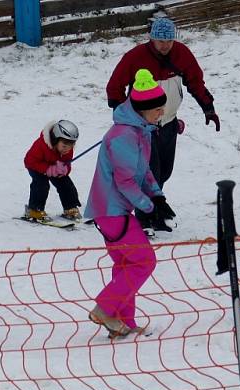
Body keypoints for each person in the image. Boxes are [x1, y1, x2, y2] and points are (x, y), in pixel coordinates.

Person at [84, 69, 176, 338]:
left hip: (115, 210)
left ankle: (123, 322)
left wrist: (158, 197)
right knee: (143, 261)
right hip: (112, 210)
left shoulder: (139, 131)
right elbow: (125, 181)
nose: (161, 113)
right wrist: (148, 207)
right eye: (158, 109)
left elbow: (143, 171)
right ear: (144, 109)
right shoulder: (123, 136)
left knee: (126, 265)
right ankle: (105, 308)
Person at [106, 17, 220, 231]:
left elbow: (195, 81)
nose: (165, 45)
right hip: (142, 127)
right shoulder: (135, 57)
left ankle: (153, 211)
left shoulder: (182, 54)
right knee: (150, 172)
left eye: (169, 41)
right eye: (160, 41)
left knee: (165, 171)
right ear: (151, 38)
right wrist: (125, 117)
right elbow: (114, 87)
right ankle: (145, 217)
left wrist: (208, 107)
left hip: (168, 122)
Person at [23, 120, 83, 222]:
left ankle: (70, 208)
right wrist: (47, 169)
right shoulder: (41, 145)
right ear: (55, 140)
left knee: (66, 184)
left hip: (54, 168)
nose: (67, 149)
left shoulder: (67, 149)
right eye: (64, 146)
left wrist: (64, 170)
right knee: (41, 185)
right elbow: (29, 161)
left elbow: (67, 163)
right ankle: (34, 210)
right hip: (36, 167)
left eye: (71, 146)